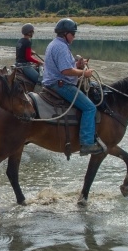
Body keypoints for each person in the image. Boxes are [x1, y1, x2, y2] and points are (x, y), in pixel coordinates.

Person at [42, 18, 103, 155]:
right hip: (60, 85)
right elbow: (65, 71)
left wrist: (78, 66)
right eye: (73, 34)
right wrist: (84, 72)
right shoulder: (61, 47)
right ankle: (87, 143)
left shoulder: (55, 44)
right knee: (89, 108)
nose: (74, 37)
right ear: (65, 33)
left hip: (53, 82)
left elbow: (67, 67)